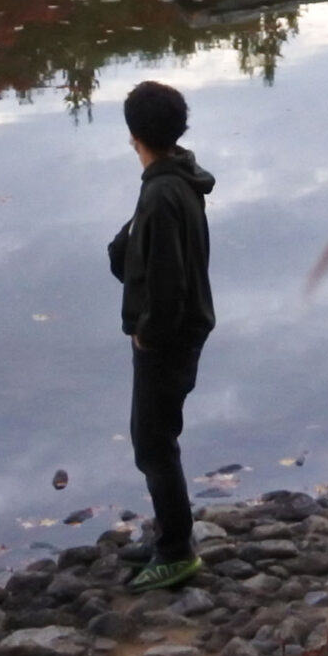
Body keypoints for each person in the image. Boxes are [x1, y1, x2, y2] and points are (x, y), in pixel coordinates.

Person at [107, 79, 216, 593]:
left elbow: (167, 281)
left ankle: (176, 550)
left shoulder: (162, 193)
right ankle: (167, 535)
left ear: (134, 136)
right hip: (185, 327)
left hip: (168, 337)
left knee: (153, 443)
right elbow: (138, 252)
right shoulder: (178, 178)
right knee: (154, 438)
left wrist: (148, 335)